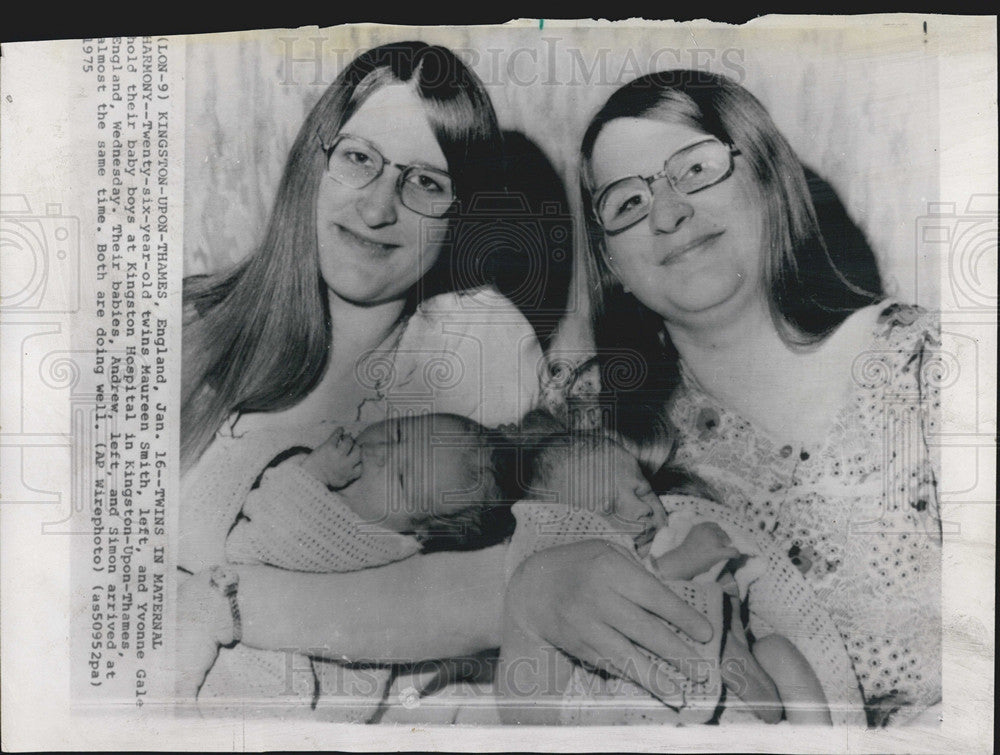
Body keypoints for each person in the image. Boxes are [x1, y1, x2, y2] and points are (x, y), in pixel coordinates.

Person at [177, 42, 714, 724]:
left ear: (460, 213)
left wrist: (223, 602)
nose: (378, 209)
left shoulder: (481, 345)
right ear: (312, 162)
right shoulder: (188, 329)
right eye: (358, 159)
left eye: (425, 182)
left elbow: (501, 589)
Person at [553, 68, 941, 726]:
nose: (669, 212)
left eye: (696, 168)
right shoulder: (586, 419)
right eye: (627, 203)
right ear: (610, 262)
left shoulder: (924, 364)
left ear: (766, 173)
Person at [496, 427, 833, 725]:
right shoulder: (578, 581)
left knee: (777, 650)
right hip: (659, 701)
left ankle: (817, 741)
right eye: (608, 510)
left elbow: (756, 579)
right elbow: (633, 593)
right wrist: (685, 561)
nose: (641, 508)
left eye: (642, 492)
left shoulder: (677, 532)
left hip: (746, 688)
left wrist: (718, 552)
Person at [198, 413, 519, 719]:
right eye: (398, 433)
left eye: (402, 478)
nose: (380, 451)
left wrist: (313, 474)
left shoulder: (373, 539)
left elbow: (262, 540)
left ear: (419, 532)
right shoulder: (356, 477)